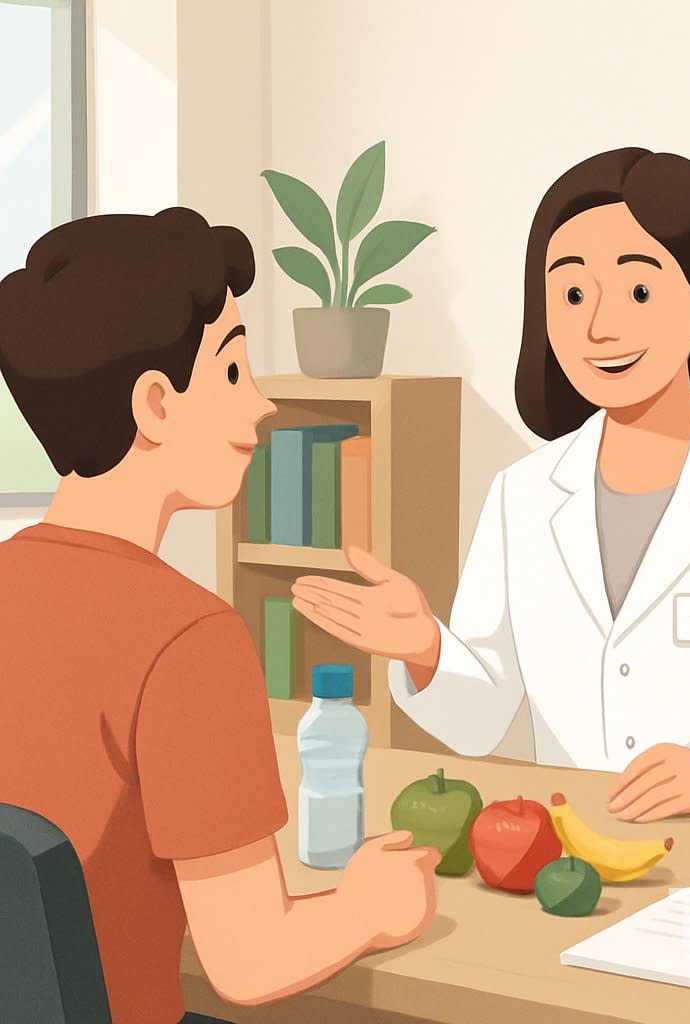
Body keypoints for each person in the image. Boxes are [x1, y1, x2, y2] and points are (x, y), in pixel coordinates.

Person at [291, 148, 690, 820]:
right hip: (569, 847)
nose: (599, 327)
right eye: (572, 294)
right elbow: (483, 715)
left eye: (637, 290)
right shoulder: (521, 495)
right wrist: (427, 648)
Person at [0, 208, 440, 1024]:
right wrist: (372, 906)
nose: (265, 406)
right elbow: (246, 958)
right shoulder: (186, 639)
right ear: (156, 404)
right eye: (234, 374)